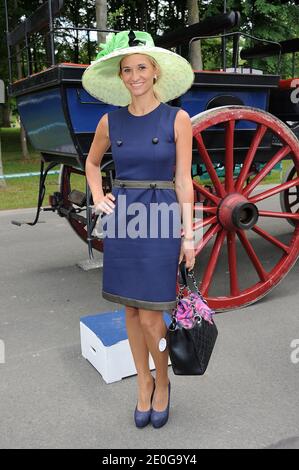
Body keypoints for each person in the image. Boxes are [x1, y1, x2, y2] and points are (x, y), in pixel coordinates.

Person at [82, 30, 195, 429]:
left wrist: (189, 234)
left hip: (162, 218)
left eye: (141, 68)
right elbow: (93, 163)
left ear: (156, 72)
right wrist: (98, 196)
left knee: (152, 316)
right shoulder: (109, 121)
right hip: (125, 218)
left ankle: (162, 383)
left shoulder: (177, 119)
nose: (134, 76)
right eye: (127, 70)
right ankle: (142, 384)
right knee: (130, 309)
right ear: (121, 77)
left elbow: (184, 181)